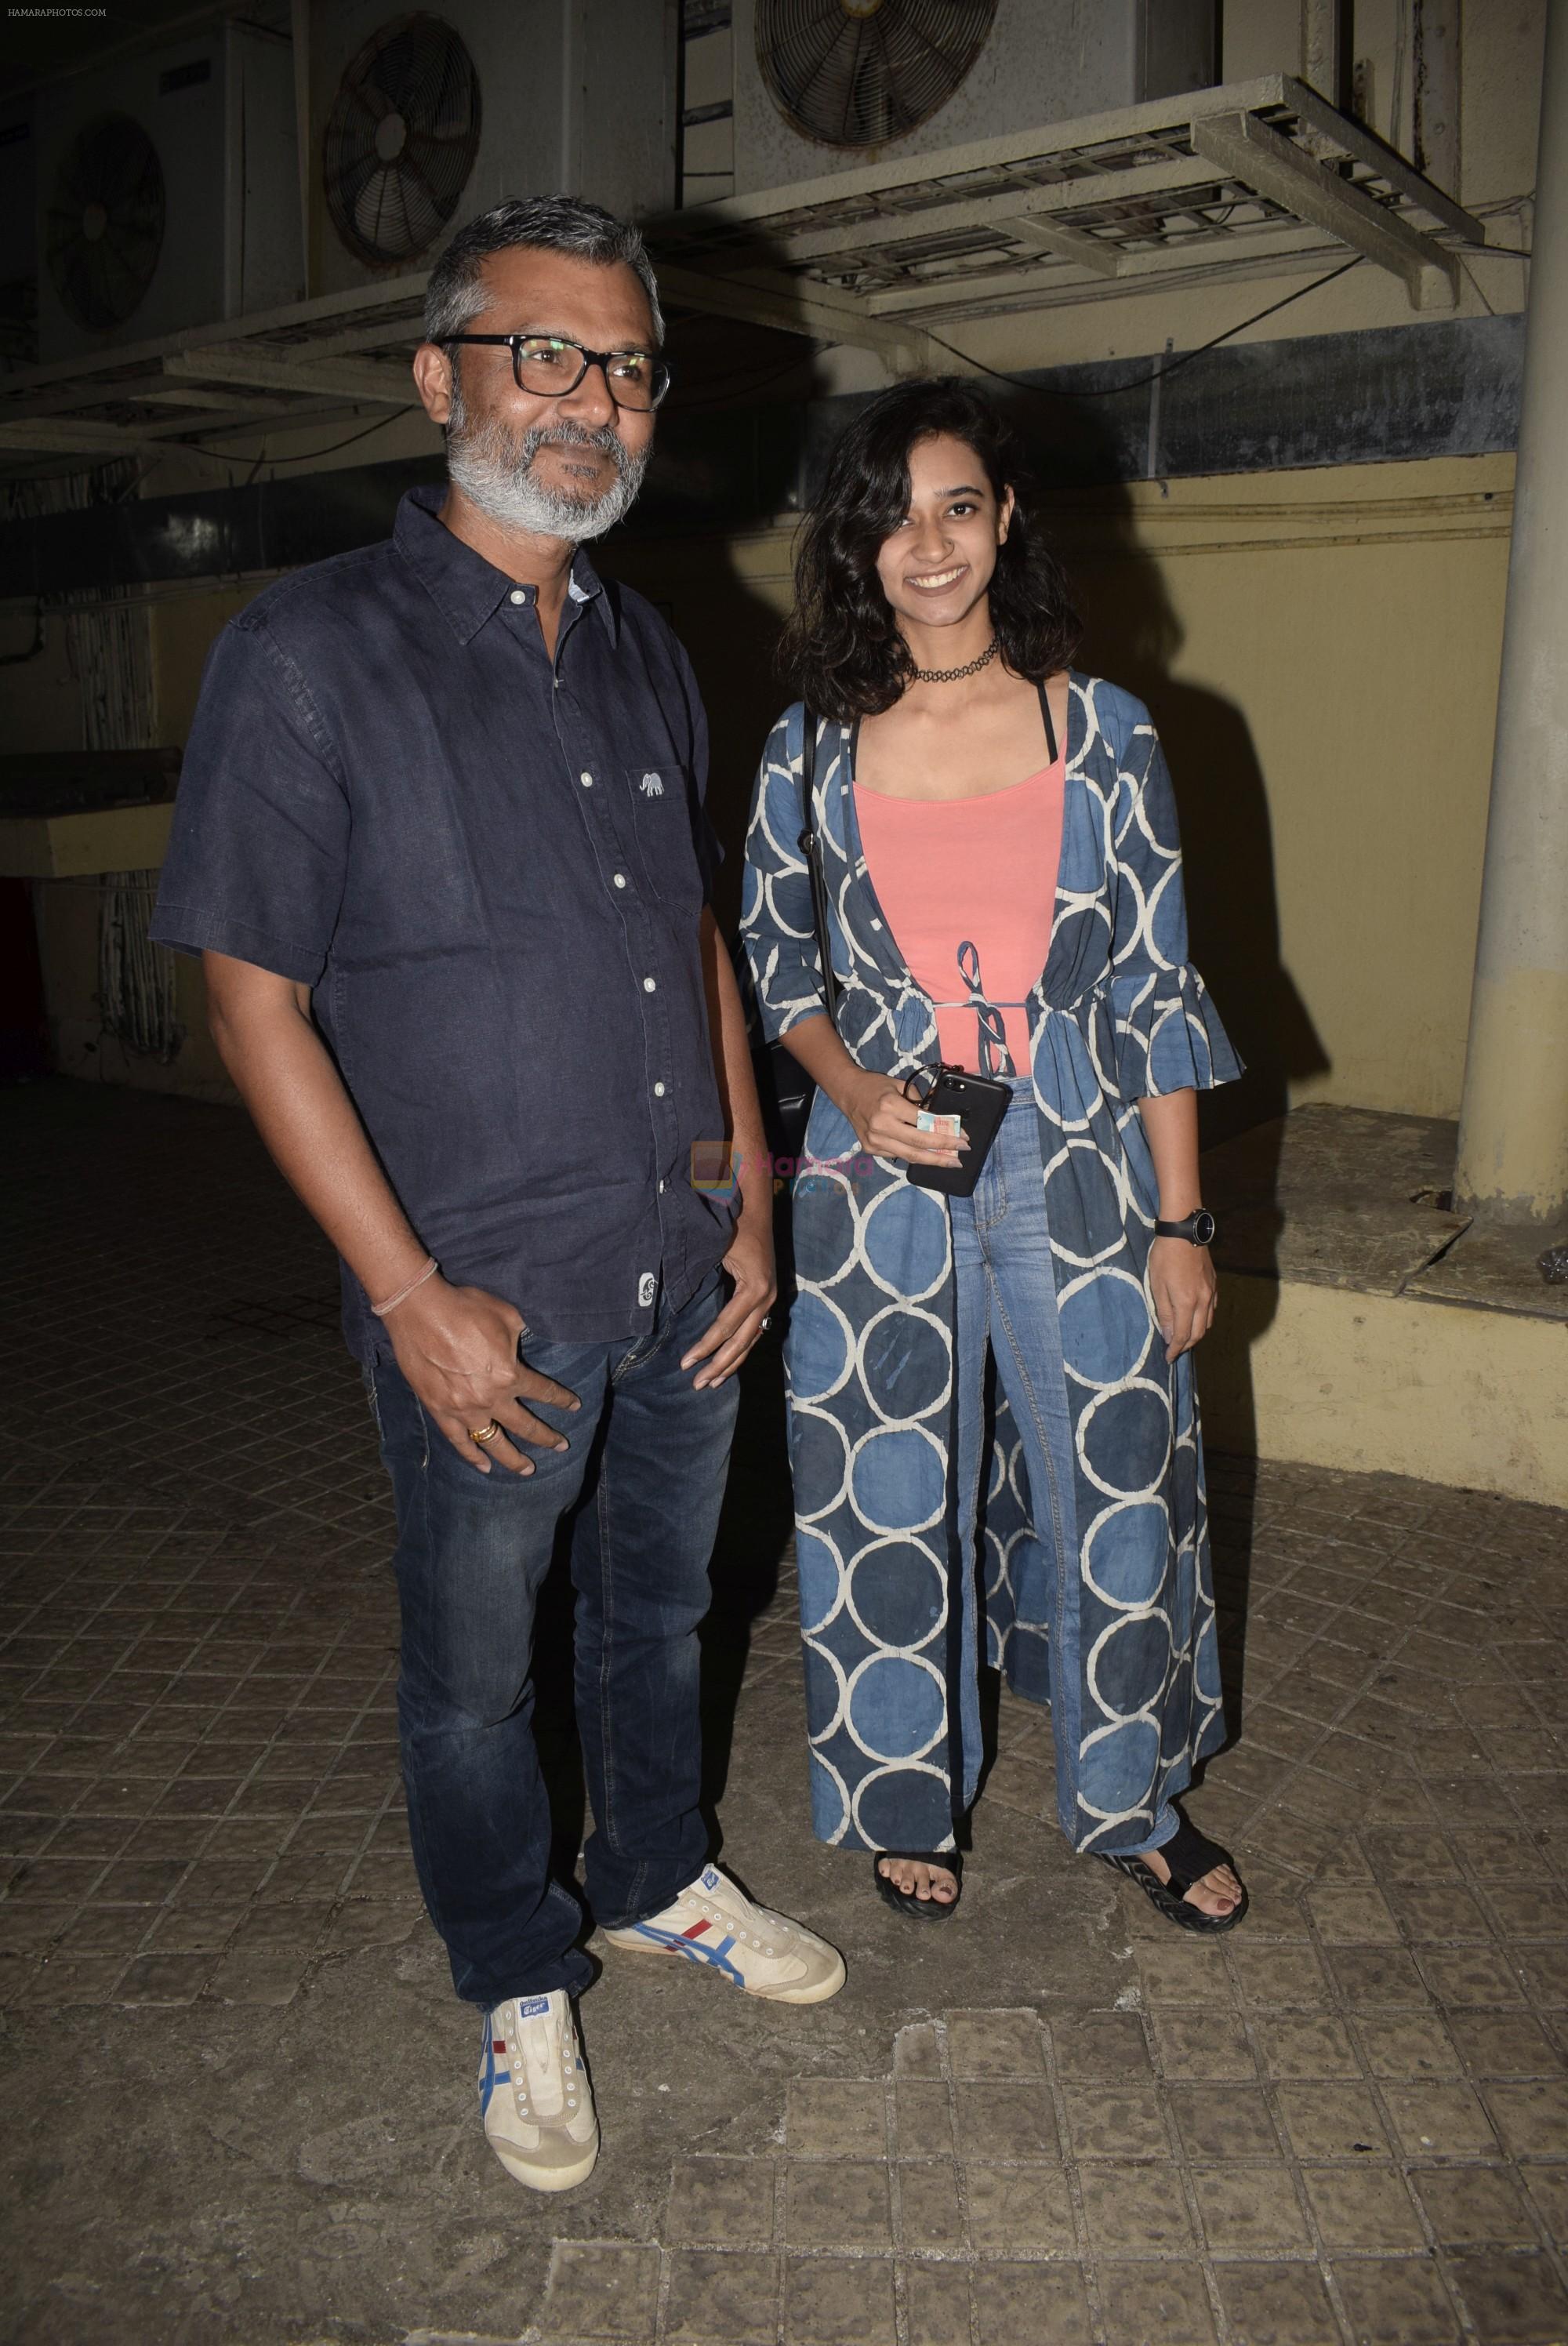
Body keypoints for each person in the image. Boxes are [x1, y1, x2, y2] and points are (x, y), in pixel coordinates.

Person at [151, 194, 845, 2197]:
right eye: (545, 352)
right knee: (475, 1674)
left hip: (677, 1262)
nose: (591, 399)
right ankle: (514, 1972)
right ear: (440, 373)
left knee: (662, 1612)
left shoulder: (642, 647)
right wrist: (404, 1293)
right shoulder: (305, 655)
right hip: (484, 1301)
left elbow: (698, 942)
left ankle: (656, 1876)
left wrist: (745, 1197)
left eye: (624, 364)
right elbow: (249, 998)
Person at [741, 380, 1248, 1935]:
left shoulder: (1103, 732)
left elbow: (1159, 984)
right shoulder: (808, 748)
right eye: (891, 518)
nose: (928, 545)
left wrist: (1185, 1217)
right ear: (854, 548)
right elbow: (779, 965)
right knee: (885, 1483)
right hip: (879, 1165)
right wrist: (850, 1081)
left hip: (1085, 1163)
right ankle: (907, 1796)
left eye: (957, 505)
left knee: (1115, 1477)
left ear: (1005, 517)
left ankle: (1130, 1796)